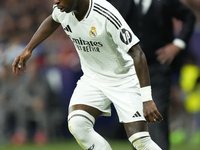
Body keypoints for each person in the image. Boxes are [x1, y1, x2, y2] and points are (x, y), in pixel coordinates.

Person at [12, 0, 163, 149]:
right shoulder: (63, 9)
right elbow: (52, 19)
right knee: (78, 125)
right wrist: (29, 49)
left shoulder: (105, 14)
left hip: (123, 79)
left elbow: (137, 53)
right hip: (93, 78)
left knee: (140, 141)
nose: (56, 2)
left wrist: (147, 99)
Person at [107, 0, 196, 149]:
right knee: (135, 118)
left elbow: (189, 17)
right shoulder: (119, 2)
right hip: (130, 69)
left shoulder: (165, 1)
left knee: (158, 114)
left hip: (158, 67)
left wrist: (178, 44)